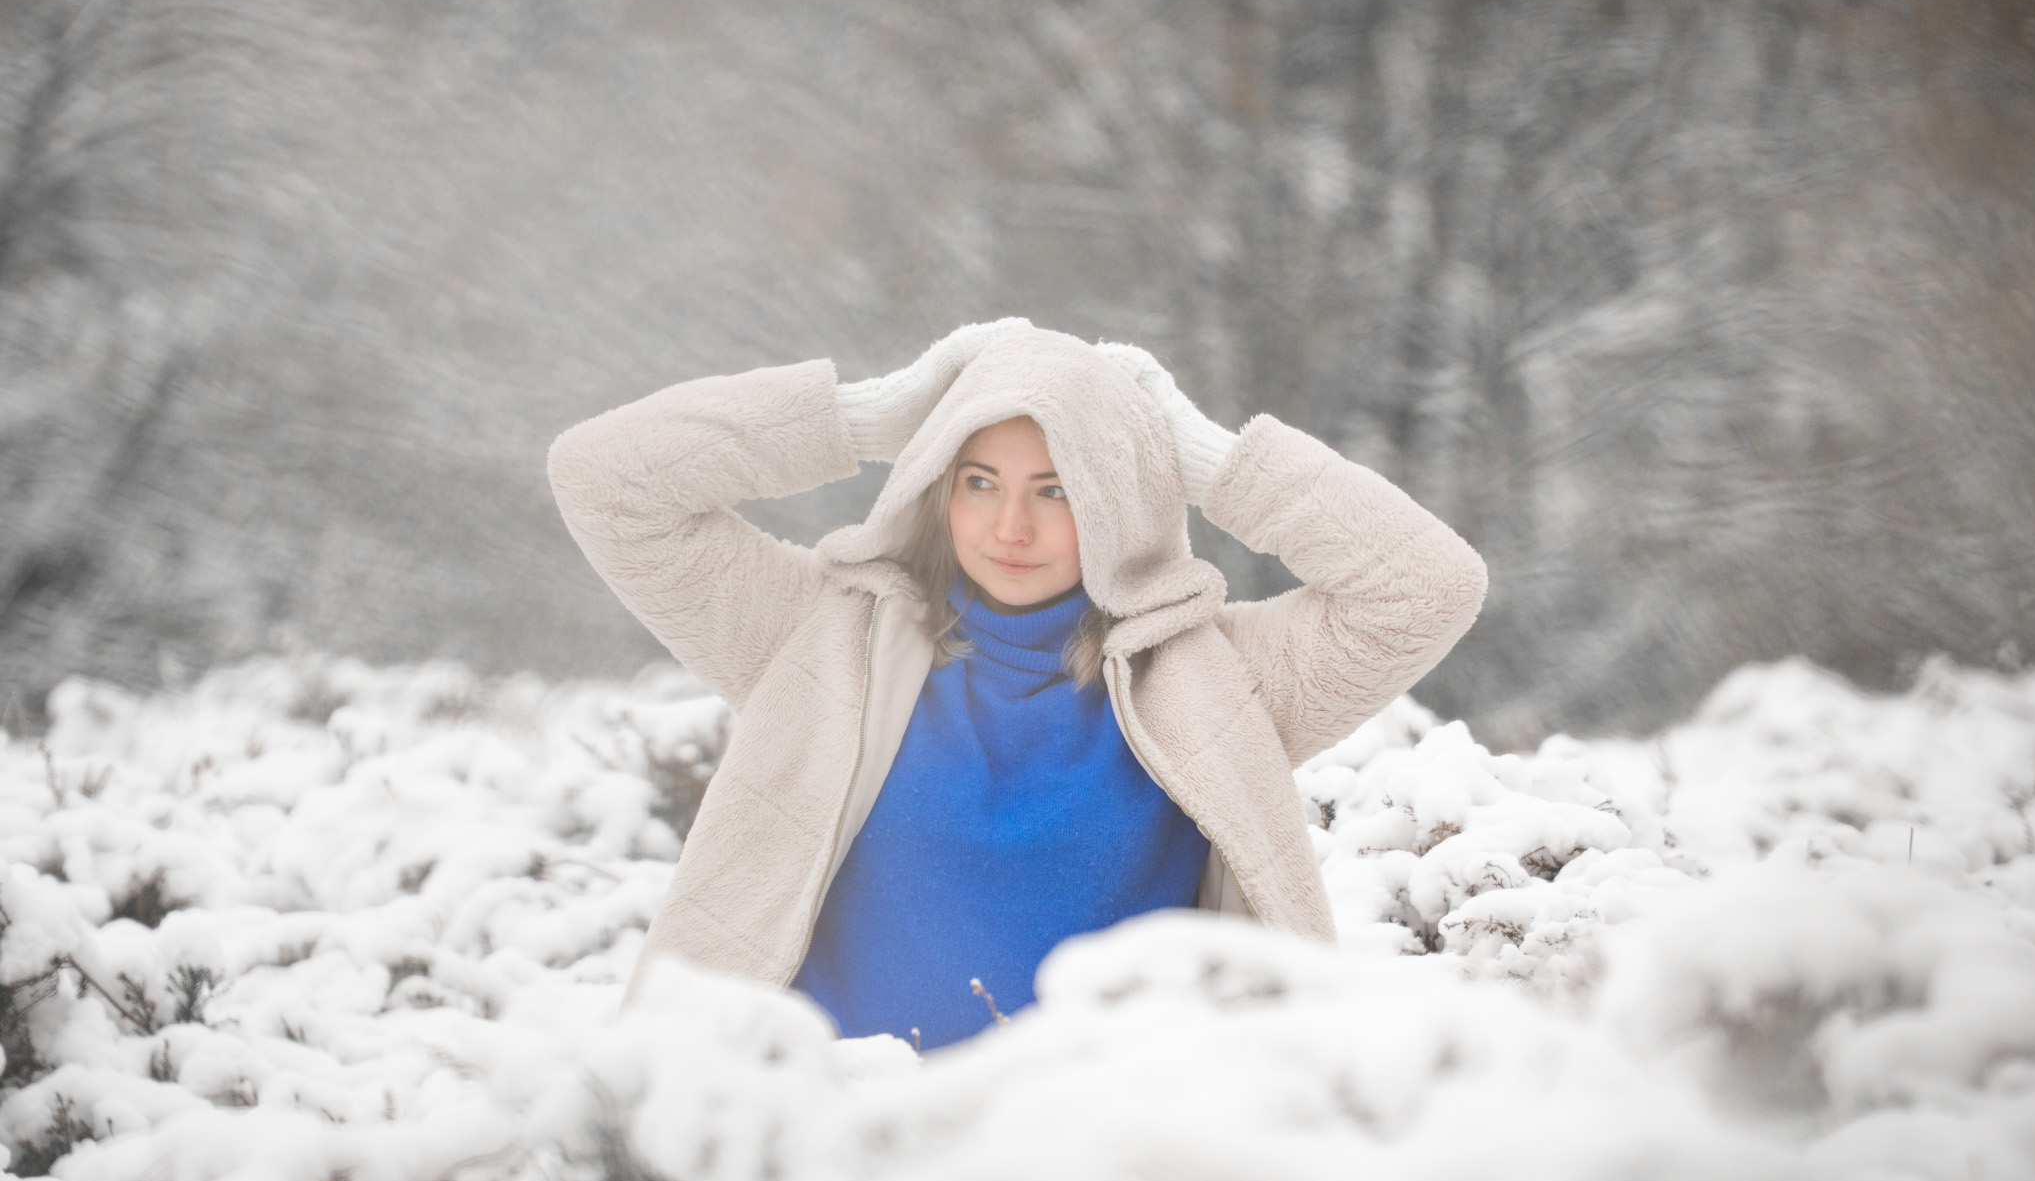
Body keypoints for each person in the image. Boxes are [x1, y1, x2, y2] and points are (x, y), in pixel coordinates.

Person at [546, 321, 1487, 1047]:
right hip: (813, 1161)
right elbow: (604, 479)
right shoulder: (820, 639)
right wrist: (866, 415)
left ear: (1117, 498)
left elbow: (1428, 585)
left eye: (1059, 489)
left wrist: (1199, 455)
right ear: (936, 486)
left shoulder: (1208, 678)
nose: (1010, 528)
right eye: (980, 480)